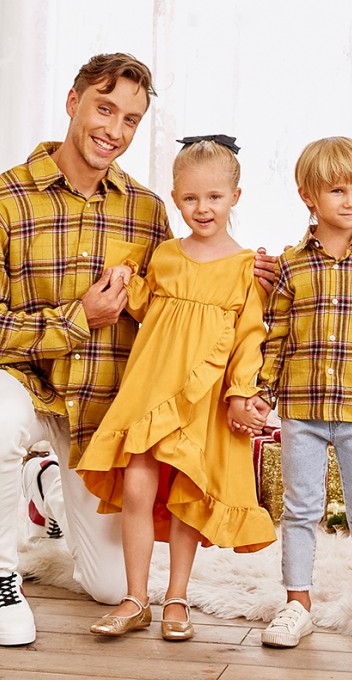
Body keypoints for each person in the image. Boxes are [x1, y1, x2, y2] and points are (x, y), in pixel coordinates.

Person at [0, 53, 276, 647]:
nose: (114, 129)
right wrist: (80, 319)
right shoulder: (8, 200)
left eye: (130, 119)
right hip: (25, 382)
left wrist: (255, 297)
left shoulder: (148, 210)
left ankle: (51, 488)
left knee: (105, 583)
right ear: (73, 103)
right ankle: (0, 576)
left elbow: (193, 307)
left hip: (101, 404)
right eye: (104, 108)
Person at [77, 136, 276, 640]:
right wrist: (126, 282)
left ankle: (177, 597)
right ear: (175, 197)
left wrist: (240, 390)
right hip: (152, 388)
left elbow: (252, 336)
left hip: (202, 401)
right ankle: (135, 597)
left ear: (235, 196)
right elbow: (152, 310)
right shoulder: (166, 255)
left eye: (213, 197)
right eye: (189, 198)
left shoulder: (246, 268)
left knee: (187, 489)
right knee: (139, 487)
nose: (201, 208)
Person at [257, 137, 352, 653]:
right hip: (301, 407)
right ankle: (297, 603)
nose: (351, 201)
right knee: (300, 509)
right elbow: (275, 336)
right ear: (308, 197)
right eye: (338, 190)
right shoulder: (292, 265)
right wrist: (262, 394)